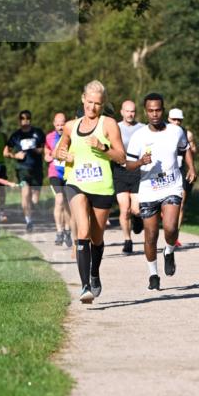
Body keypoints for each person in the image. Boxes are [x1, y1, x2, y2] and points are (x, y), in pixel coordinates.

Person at [54, 81, 126, 303]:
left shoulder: (109, 124)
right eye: (90, 102)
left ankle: (94, 273)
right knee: (83, 231)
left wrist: (102, 147)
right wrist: (62, 154)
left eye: (97, 104)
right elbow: (58, 150)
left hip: (101, 186)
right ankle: (85, 286)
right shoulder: (70, 126)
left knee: (96, 237)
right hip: (76, 183)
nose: (92, 107)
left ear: (102, 105)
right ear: (83, 99)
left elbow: (121, 157)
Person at [126, 93, 196, 290]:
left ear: (163, 110)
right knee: (150, 235)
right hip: (149, 190)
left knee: (171, 227)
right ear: (145, 112)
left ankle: (169, 251)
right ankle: (153, 275)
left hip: (172, 186)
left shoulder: (176, 131)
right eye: (150, 111)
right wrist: (141, 162)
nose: (154, 114)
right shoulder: (139, 136)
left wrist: (191, 167)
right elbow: (128, 164)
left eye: (158, 110)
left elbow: (185, 148)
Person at [4, 110, 45, 231]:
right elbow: (5, 152)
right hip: (22, 170)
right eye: (22, 118)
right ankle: (28, 221)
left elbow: (43, 149)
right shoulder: (16, 135)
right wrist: (15, 155)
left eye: (27, 118)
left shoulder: (38, 132)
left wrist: (36, 150)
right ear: (19, 120)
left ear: (30, 119)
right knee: (25, 193)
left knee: (35, 199)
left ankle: (31, 209)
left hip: (36, 169)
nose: (25, 121)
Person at [113, 99, 144, 255]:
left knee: (136, 209)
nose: (130, 114)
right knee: (124, 209)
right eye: (127, 111)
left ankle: (138, 218)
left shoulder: (142, 128)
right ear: (122, 112)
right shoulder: (115, 127)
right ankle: (127, 240)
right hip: (120, 171)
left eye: (132, 111)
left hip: (137, 171)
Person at [168, 107, 197, 239]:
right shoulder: (162, 132)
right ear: (168, 119)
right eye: (174, 119)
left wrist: (188, 148)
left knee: (180, 204)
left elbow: (194, 151)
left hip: (182, 170)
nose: (177, 122)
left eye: (179, 120)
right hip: (165, 171)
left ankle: (175, 235)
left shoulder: (187, 134)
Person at [44, 113, 72, 247]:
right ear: (54, 124)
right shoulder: (49, 137)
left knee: (68, 203)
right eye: (58, 124)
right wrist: (48, 157)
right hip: (55, 173)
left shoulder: (71, 136)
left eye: (62, 124)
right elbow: (46, 153)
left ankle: (67, 230)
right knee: (59, 199)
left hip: (68, 173)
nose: (60, 127)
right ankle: (59, 231)